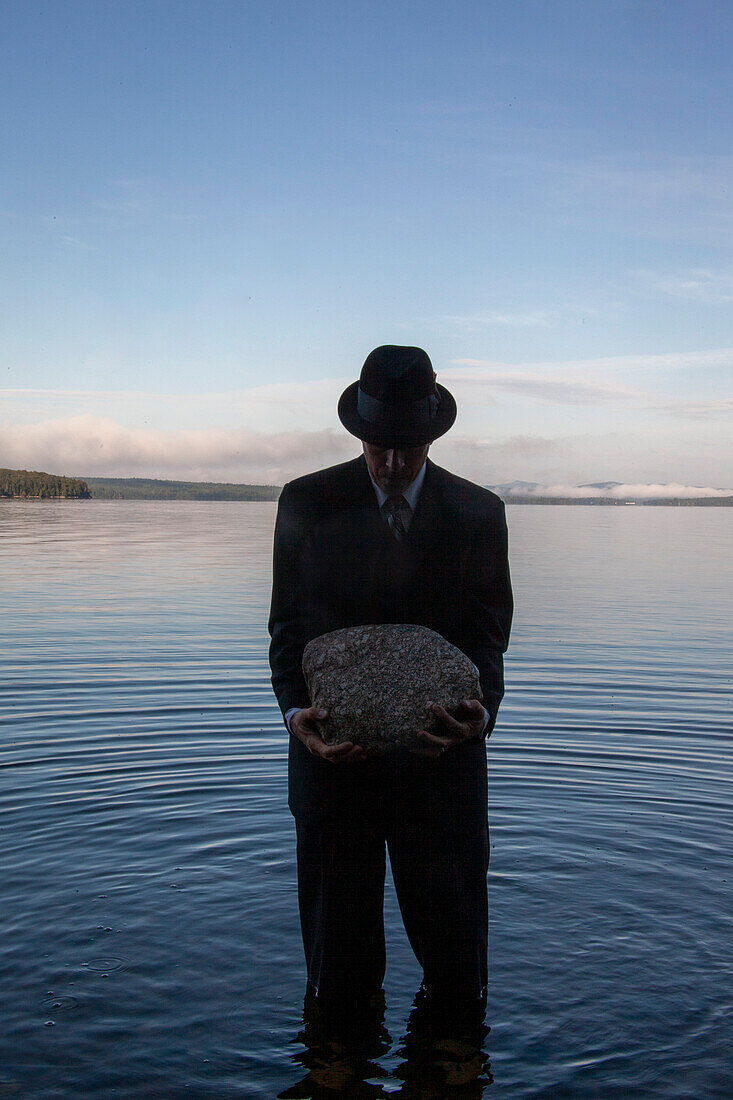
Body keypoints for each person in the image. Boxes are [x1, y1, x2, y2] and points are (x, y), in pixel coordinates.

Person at [268, 345, 513, 1036]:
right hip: (329, 764)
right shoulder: (307, 503)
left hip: (442, 763)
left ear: (432, 436)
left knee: (457, 976)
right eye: (381, 447)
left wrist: (479, 714)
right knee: (336, 984)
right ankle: (336, 1072)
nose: (394, 464)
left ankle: (452, 1070)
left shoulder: (476, 512)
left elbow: (487, 637)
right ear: (360, 435)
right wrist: (296, 717)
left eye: (407, 447)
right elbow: (287, 633)